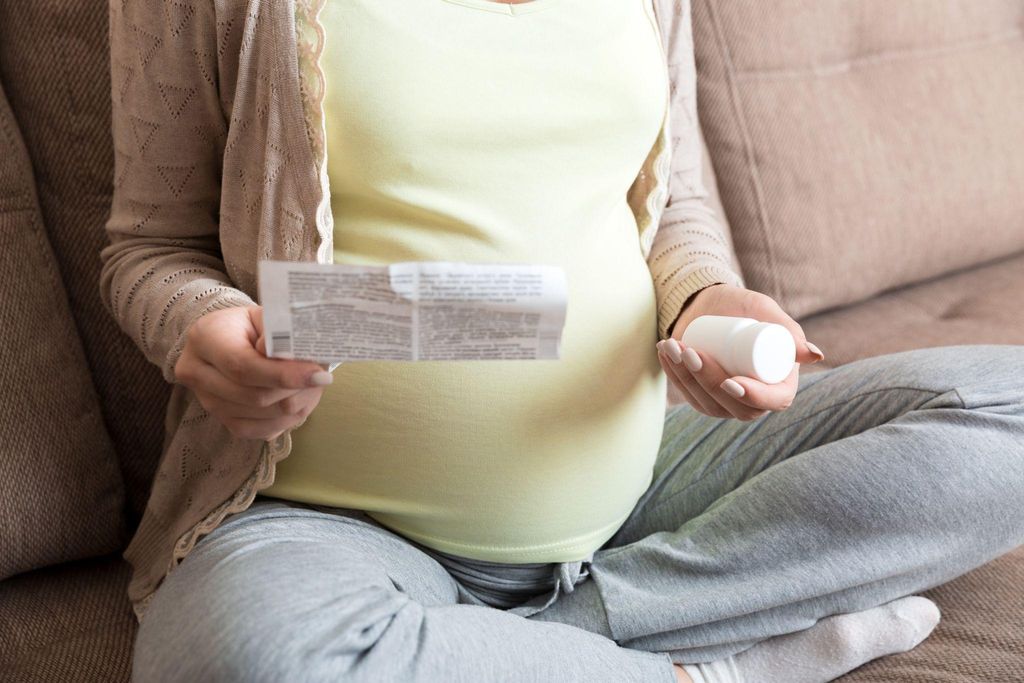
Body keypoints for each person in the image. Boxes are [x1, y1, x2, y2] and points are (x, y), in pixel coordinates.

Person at [99, 1, 1024, 681]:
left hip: (646, 476)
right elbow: (147, 246)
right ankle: (716, 669)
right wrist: (196, 327)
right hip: (326, 519)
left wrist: (708, 300)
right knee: (249, 660)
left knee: (1009, 408)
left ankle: (566, 638)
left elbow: (673, 213)